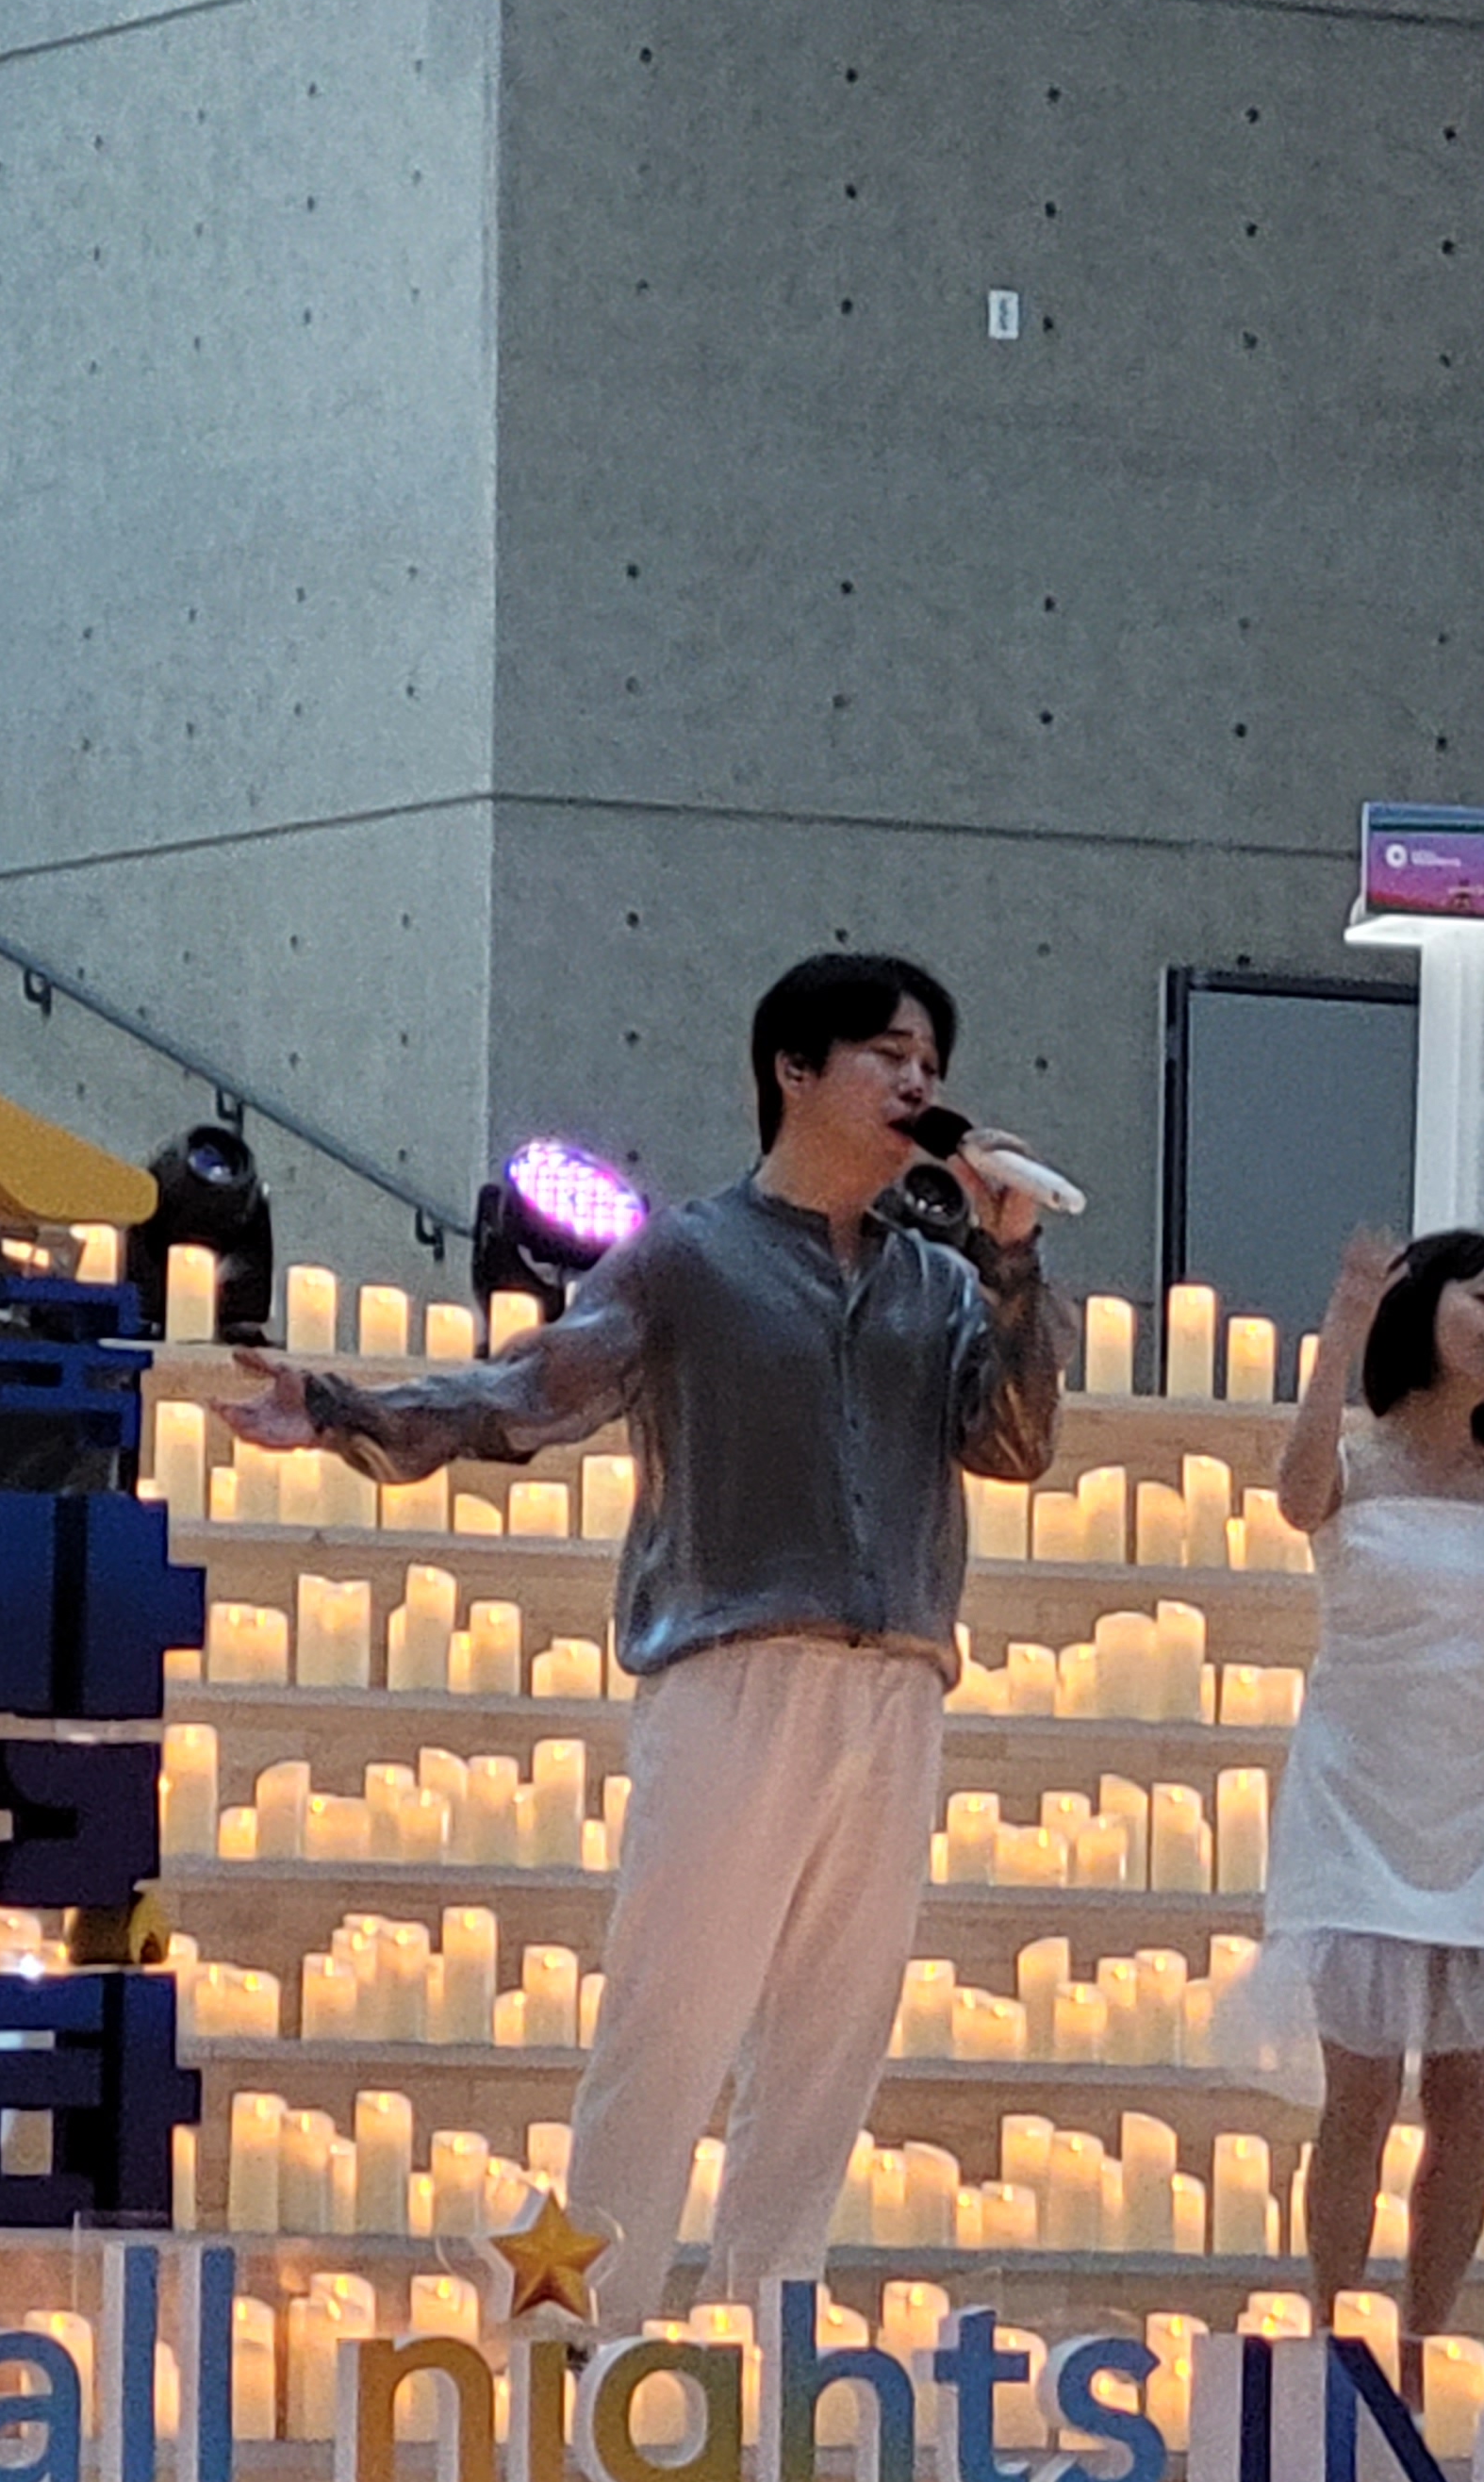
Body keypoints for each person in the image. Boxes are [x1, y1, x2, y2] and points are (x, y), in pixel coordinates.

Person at [216, 951, 1064, 2325]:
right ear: (796, 1070)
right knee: (672, 2023)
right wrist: (346, 1409)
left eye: (932, 1063)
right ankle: (585, 2336)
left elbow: (1014, 1444)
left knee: (834, 2040)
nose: (919, 1082)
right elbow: (531, 1389)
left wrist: (1013, 1261)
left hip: (900, 1679)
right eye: (889, 1055)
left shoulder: (943, 1283)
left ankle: (768, 2334)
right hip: (731, 1671)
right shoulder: (691, 1257)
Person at [1214, 1226, 1484, 2348]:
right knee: (1363, 2095)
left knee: (1468, 2102)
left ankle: (1428, 2339)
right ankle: (1335, 2329)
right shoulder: (1356, 1465)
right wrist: (1341, 1325)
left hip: (1473, 1805)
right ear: (1423, 1307)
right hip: (1357, 1795)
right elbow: (1297, 1497)